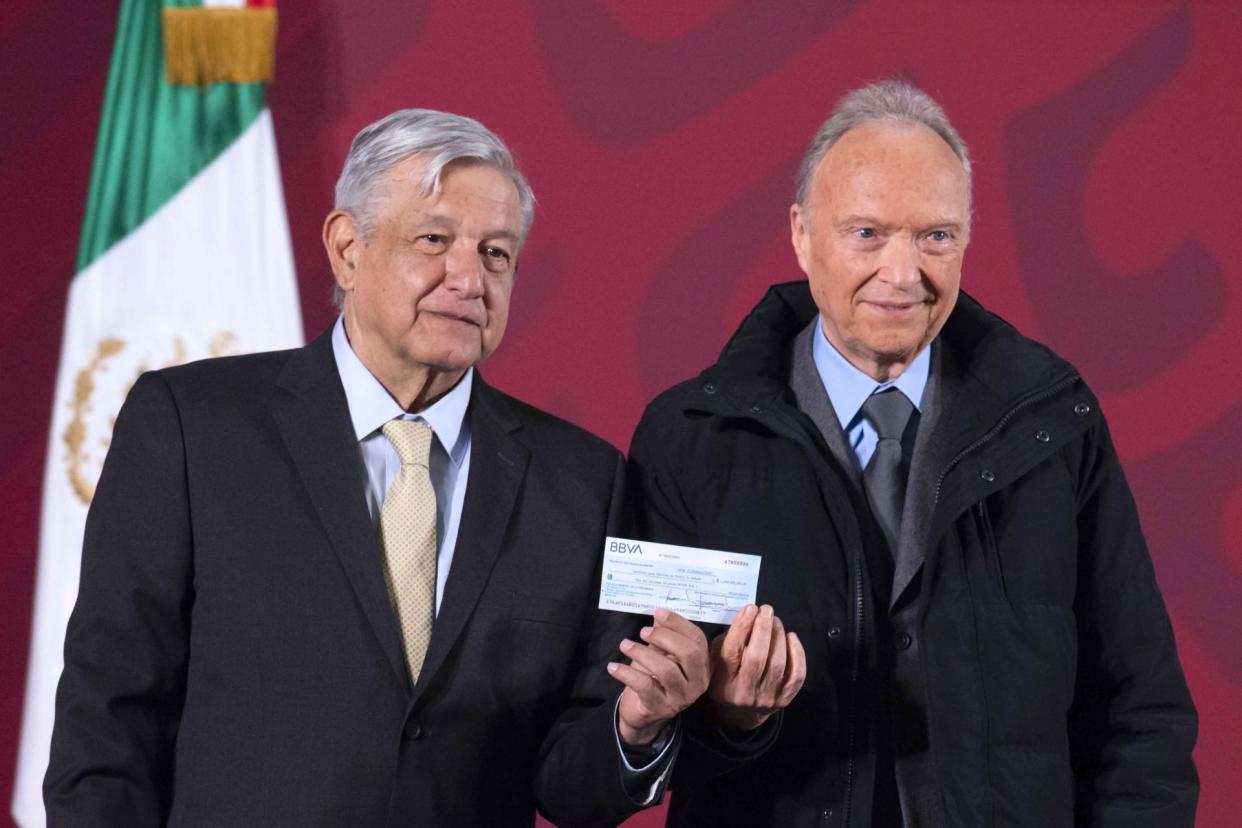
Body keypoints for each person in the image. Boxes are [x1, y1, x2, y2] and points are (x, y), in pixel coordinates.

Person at [44, 109, 714, 827]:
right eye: (434, 240)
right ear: (346, 248)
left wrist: (634, 727)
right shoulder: (191, 427)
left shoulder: (581, 482)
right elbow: (109, 717)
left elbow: (570, 785)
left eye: (496, 254)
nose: (469, 277)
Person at [628, 80, 1198, 826]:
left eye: (935, 236)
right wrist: (731, 719)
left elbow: (1140, 714)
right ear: (802, 234)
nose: (903, 274)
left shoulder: (1055, 426)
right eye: (866, 233)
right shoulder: (688, 438)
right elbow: (621, 732)